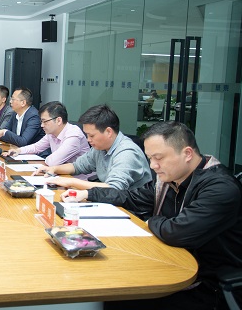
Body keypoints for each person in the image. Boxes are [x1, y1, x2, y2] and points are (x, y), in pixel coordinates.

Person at [63, 122, 242, 309]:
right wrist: (88, 194)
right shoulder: (169, 180)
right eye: (150, 158)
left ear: (187, 153)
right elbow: (131, 197)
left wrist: (151, 221)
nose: (153, 166)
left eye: (159, 158)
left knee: (120, 295)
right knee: (111, 282)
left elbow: (177, 232)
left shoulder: (220, 188)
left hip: (208, 283)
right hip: (169, 262)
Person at [34, 104, 151, 190]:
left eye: (91, 135)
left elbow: (113, 188)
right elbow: (77, 166)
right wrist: (54, 169)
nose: (88, 140)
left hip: (130, 211)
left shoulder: (127, 153)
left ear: (108, 132)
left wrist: (71, 182)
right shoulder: (100, 148)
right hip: (111, 202)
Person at [7, 101, 90, 178]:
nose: (42, 125)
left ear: (58, 120)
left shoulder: (74, 135)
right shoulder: (52, 133)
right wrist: (19, 150)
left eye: (45, 121)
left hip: (79, 180)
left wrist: (47, 159)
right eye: (41, 122)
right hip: (59, 175)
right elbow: (37, 147)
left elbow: (53, 161)